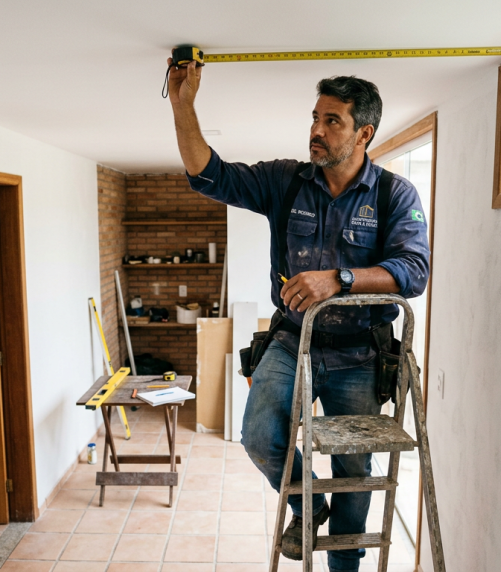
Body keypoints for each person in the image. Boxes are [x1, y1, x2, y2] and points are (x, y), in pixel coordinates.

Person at [166, 58, 430, 572]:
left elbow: (414, 270)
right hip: (293, 341)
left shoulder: (393, 194)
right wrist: (183, 106)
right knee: (260, 434)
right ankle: (307, 507)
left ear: (364, 133)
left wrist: (340, 279)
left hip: (360, 352)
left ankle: (344, 565)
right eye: (315, 118)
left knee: (354, 471)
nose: (317, 130)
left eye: (333, 121)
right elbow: (209, 175)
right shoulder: (285, 181)